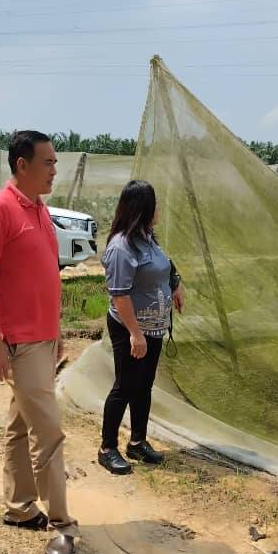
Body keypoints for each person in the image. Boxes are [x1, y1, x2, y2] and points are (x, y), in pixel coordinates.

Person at [0, 130, 79, 554]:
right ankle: (62, 525)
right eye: (48, 162)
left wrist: (55, 334)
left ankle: (19, 507)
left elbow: (42, 277)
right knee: (48, 433)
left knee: (20, 426)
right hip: (19, 341)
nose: (55, 169)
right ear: (22, 165)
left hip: (42, 337)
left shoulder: (39, 209)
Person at [98, 180, 184, 475]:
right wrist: (135, 334)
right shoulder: (122, 246)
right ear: (143, 208)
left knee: (144, 386)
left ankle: (137, 442)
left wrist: (176, 284)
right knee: (124, 386)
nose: (159, 208)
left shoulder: (147, 237)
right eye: (155, 203)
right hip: (130, 328)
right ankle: (107, 448)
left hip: (154, 327)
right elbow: (119, 295)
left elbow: (163, 265)